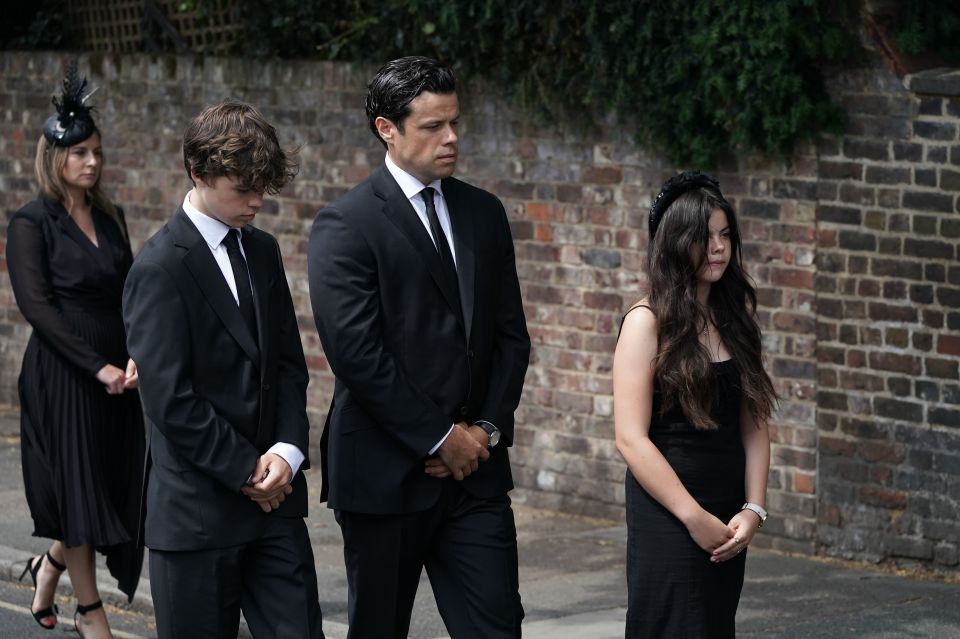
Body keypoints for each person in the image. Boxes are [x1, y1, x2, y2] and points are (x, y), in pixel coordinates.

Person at [308, 56, 531, 638]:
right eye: (433, 126)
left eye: (454, 122)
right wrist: (438, 437)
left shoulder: (484, 213)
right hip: (384, 475)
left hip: (476, 474)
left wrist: (484, 431)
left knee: (498, 629)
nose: (451, 137)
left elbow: (510, 338)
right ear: (387, 127)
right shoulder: (346, 224)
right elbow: (356, 353)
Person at [122, 101, 324, 639]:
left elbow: (286, 363)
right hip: (196, 516)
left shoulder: (263, 250)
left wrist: (287, 451)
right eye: (243, 189)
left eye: (264, 187)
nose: (257, 202)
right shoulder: (159, 268)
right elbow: (170, 399)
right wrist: (245, 472)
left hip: (275, 509)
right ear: (198, 173)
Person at [7, 62, 145, 638]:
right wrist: (99, 367)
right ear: (54, 156)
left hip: (119, 365)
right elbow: (37, 308)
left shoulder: (110, 217)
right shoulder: (30, 224)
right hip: (66, 370)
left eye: (96, 152)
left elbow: (133, 289)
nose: (91, 162)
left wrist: (138, 352)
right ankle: (94, 617)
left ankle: (49, 567)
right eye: (79, 152)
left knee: (113, 487)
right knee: (82, 492)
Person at [614, 171, 776, 638]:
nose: (719, 247)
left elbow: (755, 424)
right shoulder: (646, 323)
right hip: (669, 513)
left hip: (727, 517)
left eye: (725, 235)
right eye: (704, 237)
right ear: (674, 242)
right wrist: (692, 517)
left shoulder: (735, 320)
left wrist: (753, 510)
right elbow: (630, 437)